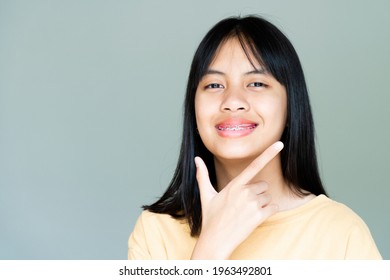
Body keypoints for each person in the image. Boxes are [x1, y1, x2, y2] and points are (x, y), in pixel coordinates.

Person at [127, 15, 382, 259]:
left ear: (291, 104)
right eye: (214, 85)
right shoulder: (155, 231)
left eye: (257, 83)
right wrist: (211, 247)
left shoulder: (341, 233)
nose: (233, 102)